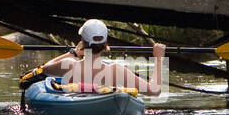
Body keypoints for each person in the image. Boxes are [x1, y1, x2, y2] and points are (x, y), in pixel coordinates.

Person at [35, 19, 166, 95]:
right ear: (105, 43)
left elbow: (44, 68)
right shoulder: (116, 70)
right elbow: (155, 91)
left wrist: (72, 53)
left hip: (76, 109)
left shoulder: (69, 65)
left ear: (82, 41)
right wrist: (159, 59)